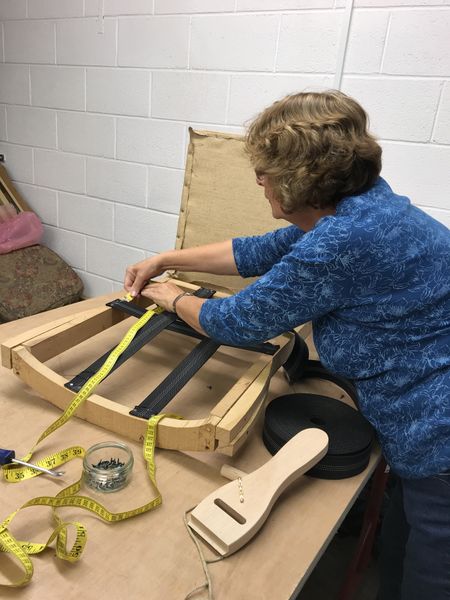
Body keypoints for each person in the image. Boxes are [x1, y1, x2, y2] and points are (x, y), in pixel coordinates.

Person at [124, 90, 450, 600]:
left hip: (437, 437)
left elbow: (237, 321)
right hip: (422, 429)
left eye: (265, 173)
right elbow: (260, 251)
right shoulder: (368, 206)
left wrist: (168, 297)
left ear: (299, 182)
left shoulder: (343, 240)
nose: (259, 181)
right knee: (399, 546)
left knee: (429, 580)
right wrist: (166, 257)